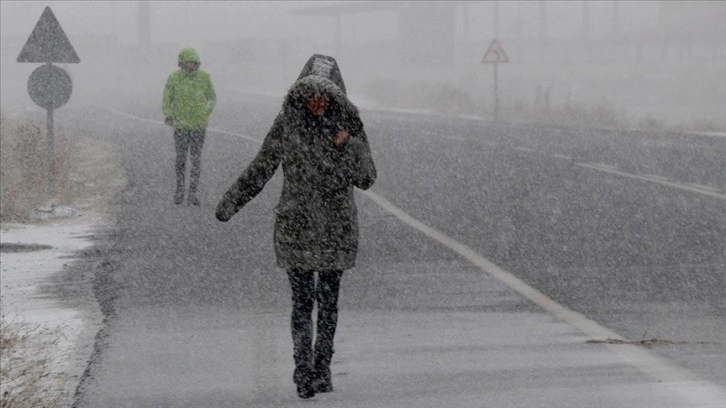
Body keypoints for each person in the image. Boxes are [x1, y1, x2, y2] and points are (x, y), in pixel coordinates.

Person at [215, 54, 376, 399]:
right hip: (297, 225)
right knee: (302, 301)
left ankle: (323, 367)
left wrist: (348, 143)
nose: (317, 101)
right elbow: (263, 165)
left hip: (336, 227)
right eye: (310, 94)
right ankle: (303, 369)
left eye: (325, 95)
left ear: (336, 95)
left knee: (329, 302)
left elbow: (367, 177)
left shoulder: (349, 124)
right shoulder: (287, 121)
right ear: (299, 92)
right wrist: (232, 201)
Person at [162, 47, 216, 206]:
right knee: (180, 159)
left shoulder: (204, 77)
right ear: (182, 62)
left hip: (199, 126)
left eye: (193, 62)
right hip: (181, 126)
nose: (191, 65)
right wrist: (169, 115)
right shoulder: (174, 78)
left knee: (196, 159)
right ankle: (179, 190)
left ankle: (193, 192)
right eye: (188, 62)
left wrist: (205, 112)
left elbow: (212, 97)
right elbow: (167, 98)